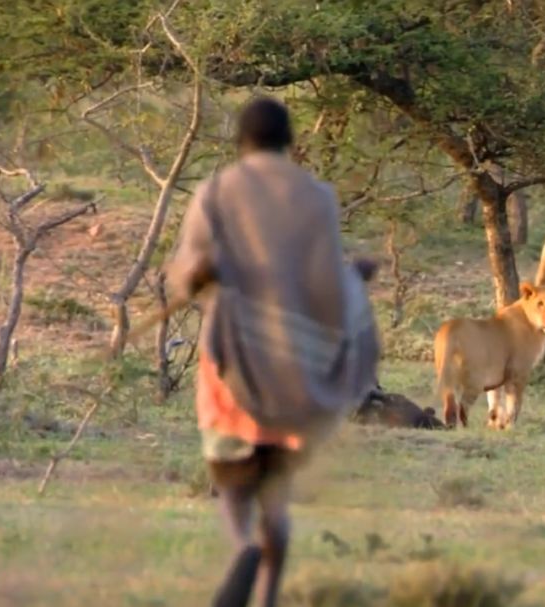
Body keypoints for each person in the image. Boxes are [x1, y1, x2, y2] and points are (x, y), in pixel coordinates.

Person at [165, 96, 378, 607]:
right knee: (276, 496)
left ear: (242, 142)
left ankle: (242, 547)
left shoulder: (216, 192)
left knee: (234, 485)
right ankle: (266, 599)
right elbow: (325, 283)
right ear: (291, 142)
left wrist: (198, 278)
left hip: (232, 362)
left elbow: (184, 275)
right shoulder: (317, 197)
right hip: (296, 368)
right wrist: (355, 282)